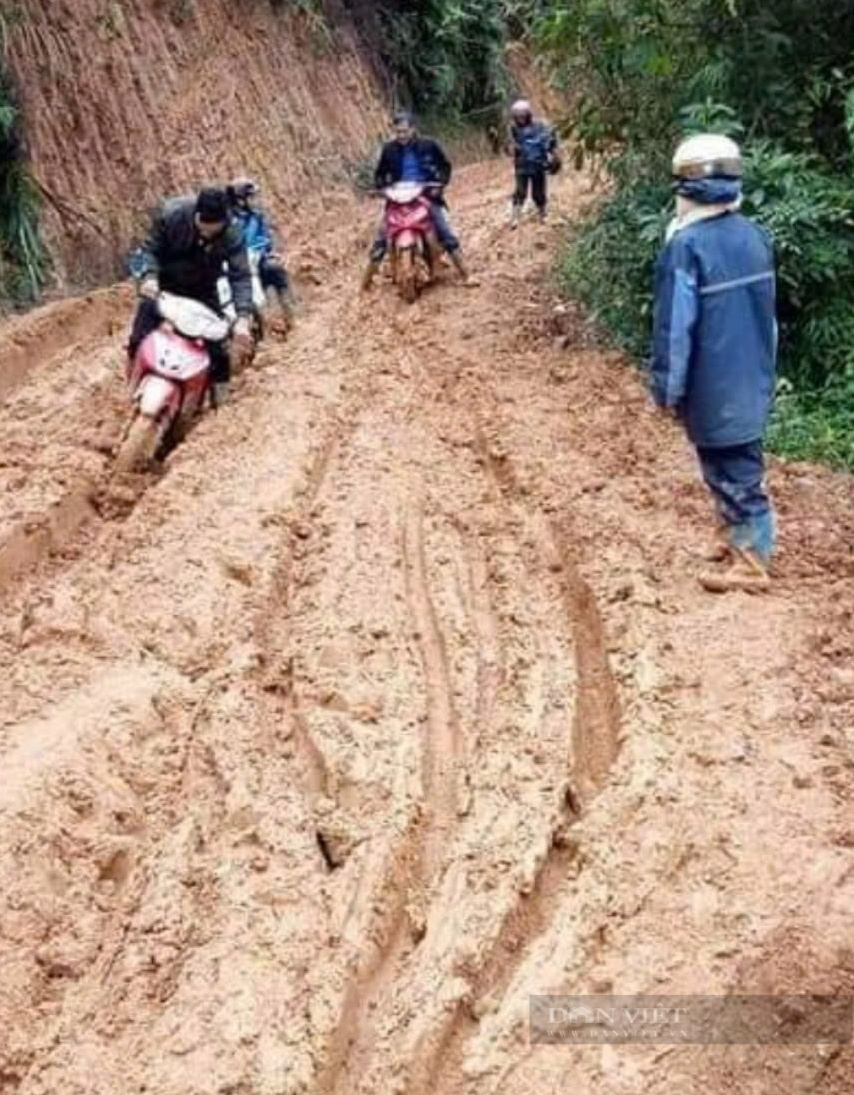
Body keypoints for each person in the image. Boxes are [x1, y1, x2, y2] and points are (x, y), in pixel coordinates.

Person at [650, 133, 778, 593]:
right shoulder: (754, 236)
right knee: (731, 460)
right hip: (753, 373)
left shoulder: (686, 247)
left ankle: (752, 561)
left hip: (713, 381)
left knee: (733, 469)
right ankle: (732, 536)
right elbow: (770, 317)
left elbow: (674, 330)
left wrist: (667, 389)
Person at [129, 187, 253, 406]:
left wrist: (242, 317)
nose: (206, 235)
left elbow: (240, 275)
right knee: (140, 333)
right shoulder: (172, 216)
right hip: (164, 286)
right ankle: (132, 379)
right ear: (196, 215)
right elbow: (149, 250)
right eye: (202, 229)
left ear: (224, 222)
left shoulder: (232, 233)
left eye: (212, 232)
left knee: (218, 348)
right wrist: (149, 276)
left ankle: (219, 404)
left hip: (204, 291)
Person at [361, 111, 475, 289]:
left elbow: (445, 166)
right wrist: (381, 188)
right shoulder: (389, 150)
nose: (401, 135)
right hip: (398, 198)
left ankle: (466, 274)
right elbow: (380, 174)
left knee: (444, 229)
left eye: (405, 131)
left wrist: (440, 185)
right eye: (398, 132)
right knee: (382, 235)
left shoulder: (429, 145)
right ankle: (365, 283)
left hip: (425, 194)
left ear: (413, 129)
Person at [227, 176, 296, 324]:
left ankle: (291, 316)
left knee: (276, 269)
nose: (254, 200)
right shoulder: (228, 221)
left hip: (259, 259)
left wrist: (267, 252)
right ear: (240, 200)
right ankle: (260, 325)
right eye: (250, 196)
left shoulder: (257, 216)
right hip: (238, 266)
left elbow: (265, 239)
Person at [508, 99, 560, 228]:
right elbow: (510, 145)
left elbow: (550, 140)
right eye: (517, 117)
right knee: (520, 191)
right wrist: (514, 149)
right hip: (522, 165)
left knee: (539, 193)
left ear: (528, 115)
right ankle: (515, 217)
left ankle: (542, 214)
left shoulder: (540, 126)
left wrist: (554, 155)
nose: (520, 120)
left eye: (522, 117)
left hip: (538, 164)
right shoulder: (513, 129)